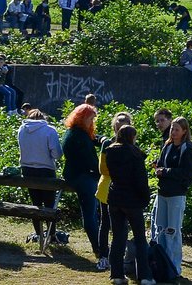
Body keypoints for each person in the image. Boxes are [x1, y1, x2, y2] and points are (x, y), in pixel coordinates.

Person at [106, 124, 154, 285]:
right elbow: (141, 181)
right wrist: (145, 199)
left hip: (115, 197)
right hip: (132, 200)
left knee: (118, 237)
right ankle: (145, 276)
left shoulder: (110, 151)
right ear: (132, 137)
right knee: (140, 238)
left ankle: (117, 275)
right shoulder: (135, 154)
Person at [154, 117, 192, 277]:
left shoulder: (188, 148)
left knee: (172, 231)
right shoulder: (167, 146)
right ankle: (159, 264)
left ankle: (174, 268)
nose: (173, 133)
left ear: (184, 132)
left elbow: (189, 172)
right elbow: (161, 163)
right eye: (172, 129)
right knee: (159, 229)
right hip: (162, 193)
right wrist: (157, 167)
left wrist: (166, 172)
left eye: (177, 130)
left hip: (176, 194)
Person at [18, 108, 63, 244]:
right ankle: (52, 235)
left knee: (35, 204)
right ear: (43, 118)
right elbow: (57, 154)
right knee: (49, 205)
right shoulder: (49, 130)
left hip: (27, 170)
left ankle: (39, 234)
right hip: (46, 170)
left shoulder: (22, 129)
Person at [96, 112, 133, 271]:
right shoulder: (108, 144)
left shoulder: (132, 146)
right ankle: (103, 256)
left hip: (125, 190)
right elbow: (103, 169)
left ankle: (119, 257)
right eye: (119, 122)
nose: (121, 124)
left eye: (125, 122)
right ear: (114, 125)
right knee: (105, 223)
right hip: (107, 189)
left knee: (123, 225)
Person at [63, 104, 101, 259]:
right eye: (91, 119)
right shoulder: (80, 137)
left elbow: (91, 141)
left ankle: (99, 245)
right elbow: (90, 161)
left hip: (74, 175)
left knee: (91, 214)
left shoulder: (73, 132)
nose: (92, 122)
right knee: (90, 215)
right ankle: (98, 247)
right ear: (83, 118)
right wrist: (102, 173)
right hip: (83, 178)